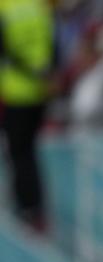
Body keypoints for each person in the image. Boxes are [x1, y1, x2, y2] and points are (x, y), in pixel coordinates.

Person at [0, 0, 53, 232]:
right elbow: (53, 46)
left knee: (18, 154)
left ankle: (26, 209)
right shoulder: (39, 7)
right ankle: (35, 210)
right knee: (29, 153)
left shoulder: (5, 8)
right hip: (39, 92)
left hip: (13, 92)